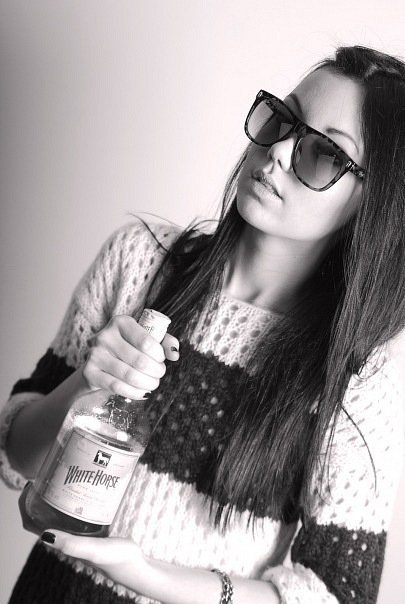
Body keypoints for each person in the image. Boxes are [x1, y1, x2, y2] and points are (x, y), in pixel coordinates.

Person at [1, 44, 404, 604]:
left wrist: (147, 575)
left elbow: (339, 591)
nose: (278, 151)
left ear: (371, 202)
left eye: (324, 153)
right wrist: (87, 386)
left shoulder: (356, 373)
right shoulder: (139, 261)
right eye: (281, 120)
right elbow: (16, 452)